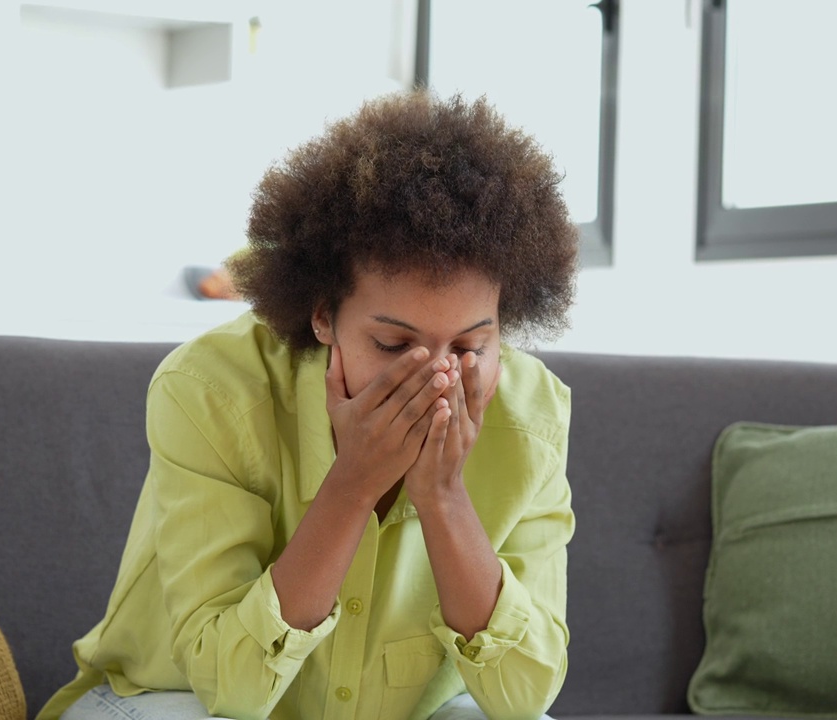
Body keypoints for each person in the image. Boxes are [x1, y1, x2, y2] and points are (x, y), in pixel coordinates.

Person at [38, 91, 579, 720]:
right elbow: (229, 687)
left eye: (470, 345)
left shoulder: (531, 417)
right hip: (175, 699)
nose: (437, 378)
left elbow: (523, 698)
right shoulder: (211, 390)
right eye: (394, 343)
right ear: (323, 314)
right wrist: (352, 485)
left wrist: (445, 498)